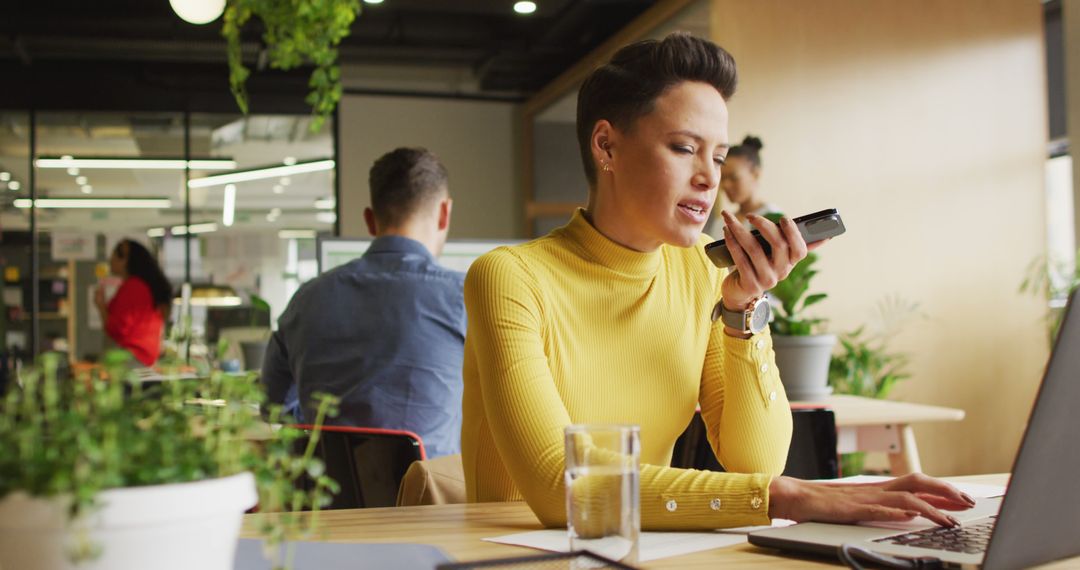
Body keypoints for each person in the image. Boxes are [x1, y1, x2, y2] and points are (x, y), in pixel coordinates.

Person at [462, 33, 973, 531]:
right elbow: (562, 486)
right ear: (606, 146)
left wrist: (743, 311)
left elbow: (758, 461)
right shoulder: (510, 278)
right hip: (514, 553)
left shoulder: (702, 276)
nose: (710, 178)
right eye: (685, 148)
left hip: (634, 546)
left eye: (720, 156)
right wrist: (788, 497)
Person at [262, 147, 465, 459]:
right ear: (444, 214)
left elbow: (275, 408)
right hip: (433, 502)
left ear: (370, 220)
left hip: (327, 503)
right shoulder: (466, 298)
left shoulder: (306, 299)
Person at [94, 239, 172, 366]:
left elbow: (117, 329)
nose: (110, 260)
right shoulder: (141, 286)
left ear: (125, 260)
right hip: (144, 356)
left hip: (133, 357)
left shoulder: (134, 287)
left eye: (114, 255)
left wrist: (101, 306)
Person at [706, 135, 781, 236]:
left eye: (733, 177)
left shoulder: (774, 219)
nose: (725, 185)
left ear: (755, 174)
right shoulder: (720, 223)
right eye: (722, 178)